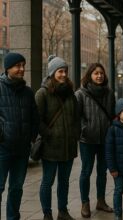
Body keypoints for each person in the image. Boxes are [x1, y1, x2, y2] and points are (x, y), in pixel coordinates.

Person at [35, 55, 80, 220]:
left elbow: (76, 117)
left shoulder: (71, 94)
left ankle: (63, 211)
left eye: (65, 71)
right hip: (50, 147)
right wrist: (49, 134)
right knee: (48, 181)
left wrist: (76, 133)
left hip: (68, 146)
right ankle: (47, 213)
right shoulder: (42, 93)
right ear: (52, 72)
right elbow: (37, 120)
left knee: (64, 181)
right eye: (60, 71)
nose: (63, 74)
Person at [0, 52, 39, 220]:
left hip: (22, 150)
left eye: (23, 65)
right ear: (8, 68)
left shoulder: (28, 92)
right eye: (18, 66)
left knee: (17, 188)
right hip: (2, 148)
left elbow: (34, 117)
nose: (22, 69)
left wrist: (31, 137)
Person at [75, 63, 115, 218]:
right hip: (87, 140)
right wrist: (84, 130)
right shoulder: (80, 94)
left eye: (101, 73)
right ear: (89, 75)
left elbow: (112, 115)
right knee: (86, 172)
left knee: (102, 172)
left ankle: (101, 201)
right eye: (96, 73)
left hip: (105, 139)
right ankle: (85, 203)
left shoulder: (109, 93)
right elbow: (76, 117)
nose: (99, 76)